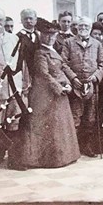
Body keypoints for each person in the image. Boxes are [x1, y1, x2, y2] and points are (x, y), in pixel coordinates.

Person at [22, 18, 80, 168]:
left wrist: (68, 83)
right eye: (47, 35)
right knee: (49, 125)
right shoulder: (40, 53)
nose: (50, 38)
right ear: (41, 35)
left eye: (53, 36)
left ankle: (65, 156)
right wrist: (59, 88)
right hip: (46, 93)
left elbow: (61, 68)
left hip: (58, 91)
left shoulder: (53, 51)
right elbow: (43, 74)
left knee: (60, 125)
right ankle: (49, 159)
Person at [0, 8, 26, 175]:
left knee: (14, 123)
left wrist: (23, 86)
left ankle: (14, 160)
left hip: (14, 89)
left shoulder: (14, 38)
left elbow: (20, 65)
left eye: (0, 20)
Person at [61, 16, 103, 158]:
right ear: (76, 28)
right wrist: (73, 78)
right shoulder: (68, 42)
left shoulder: (97, 44)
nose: (83, 29)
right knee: (75, 117)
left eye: (86, 26)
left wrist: (95, 77)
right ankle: (73, 148)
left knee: (90, 117)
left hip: (92, 86)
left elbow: (102, 64)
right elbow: (63, 63)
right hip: (76, 86)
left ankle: (87, 146)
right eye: (81, 26)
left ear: (90, 28)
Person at [17, 9, 39, 103]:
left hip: (39, 72)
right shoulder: (18, 37)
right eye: (25, 19)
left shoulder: (39, 35)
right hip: (26, 73)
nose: (28, 21)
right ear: (21, 20)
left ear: (35, 20)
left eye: (31, 18)